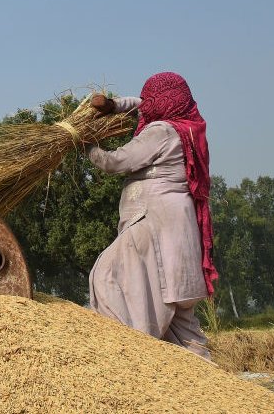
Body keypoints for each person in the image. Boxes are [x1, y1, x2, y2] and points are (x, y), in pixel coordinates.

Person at [86, 72, 217, 360]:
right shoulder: (188, 126)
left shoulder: (160, 131)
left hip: (153, 219)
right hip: (177, 227)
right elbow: (142, 104)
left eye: (150, 98)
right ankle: (213, 385)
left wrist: (86, 145)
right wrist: (113, 105)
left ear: (162, 102)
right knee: (183, 325)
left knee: (108, 274)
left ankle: (129, 354)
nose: (145, 104)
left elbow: (118, 161)